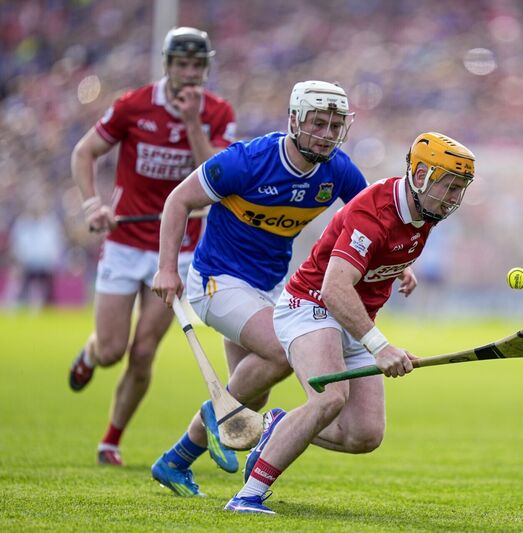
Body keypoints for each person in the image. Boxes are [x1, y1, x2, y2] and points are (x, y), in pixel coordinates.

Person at [150, 80, 399, 497]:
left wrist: (397, 266)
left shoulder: (337, 169)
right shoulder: (246, 162)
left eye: (335, 125)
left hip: (270, 288)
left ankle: (175, 461)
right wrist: (165, 268)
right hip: (216, 281)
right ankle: (217, 412)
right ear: (294, 121)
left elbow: (374, 220)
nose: (327, 134)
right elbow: (178, 200)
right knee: (283, 352)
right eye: (317, 123)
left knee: (254, 397)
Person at [222, 132, 476, 514]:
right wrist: (380, 346)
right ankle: (247, 496)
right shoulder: (374, 211)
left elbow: (380, 253)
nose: (454, 198)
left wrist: (400, 271)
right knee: (329, 398)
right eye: (450, 186)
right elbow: (334, 288)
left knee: (364, 435)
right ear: (421, 175)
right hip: (311, 305)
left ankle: (279, 426)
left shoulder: (426, 211)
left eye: (460, 189)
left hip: (353, 317)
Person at [68, 27, 236, 466]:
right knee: (111, 350)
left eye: (197, 65)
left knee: (143, 351)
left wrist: (192, 123)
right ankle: (91, 353)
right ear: (167, 65)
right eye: (181, 64)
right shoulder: (133, 105)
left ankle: (111, 439)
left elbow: (218, 176)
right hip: (125, 243)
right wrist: (92, 205)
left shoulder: (218, 113)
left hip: (179, 249)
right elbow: (84, 152)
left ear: (206, 68)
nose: (189, 74)